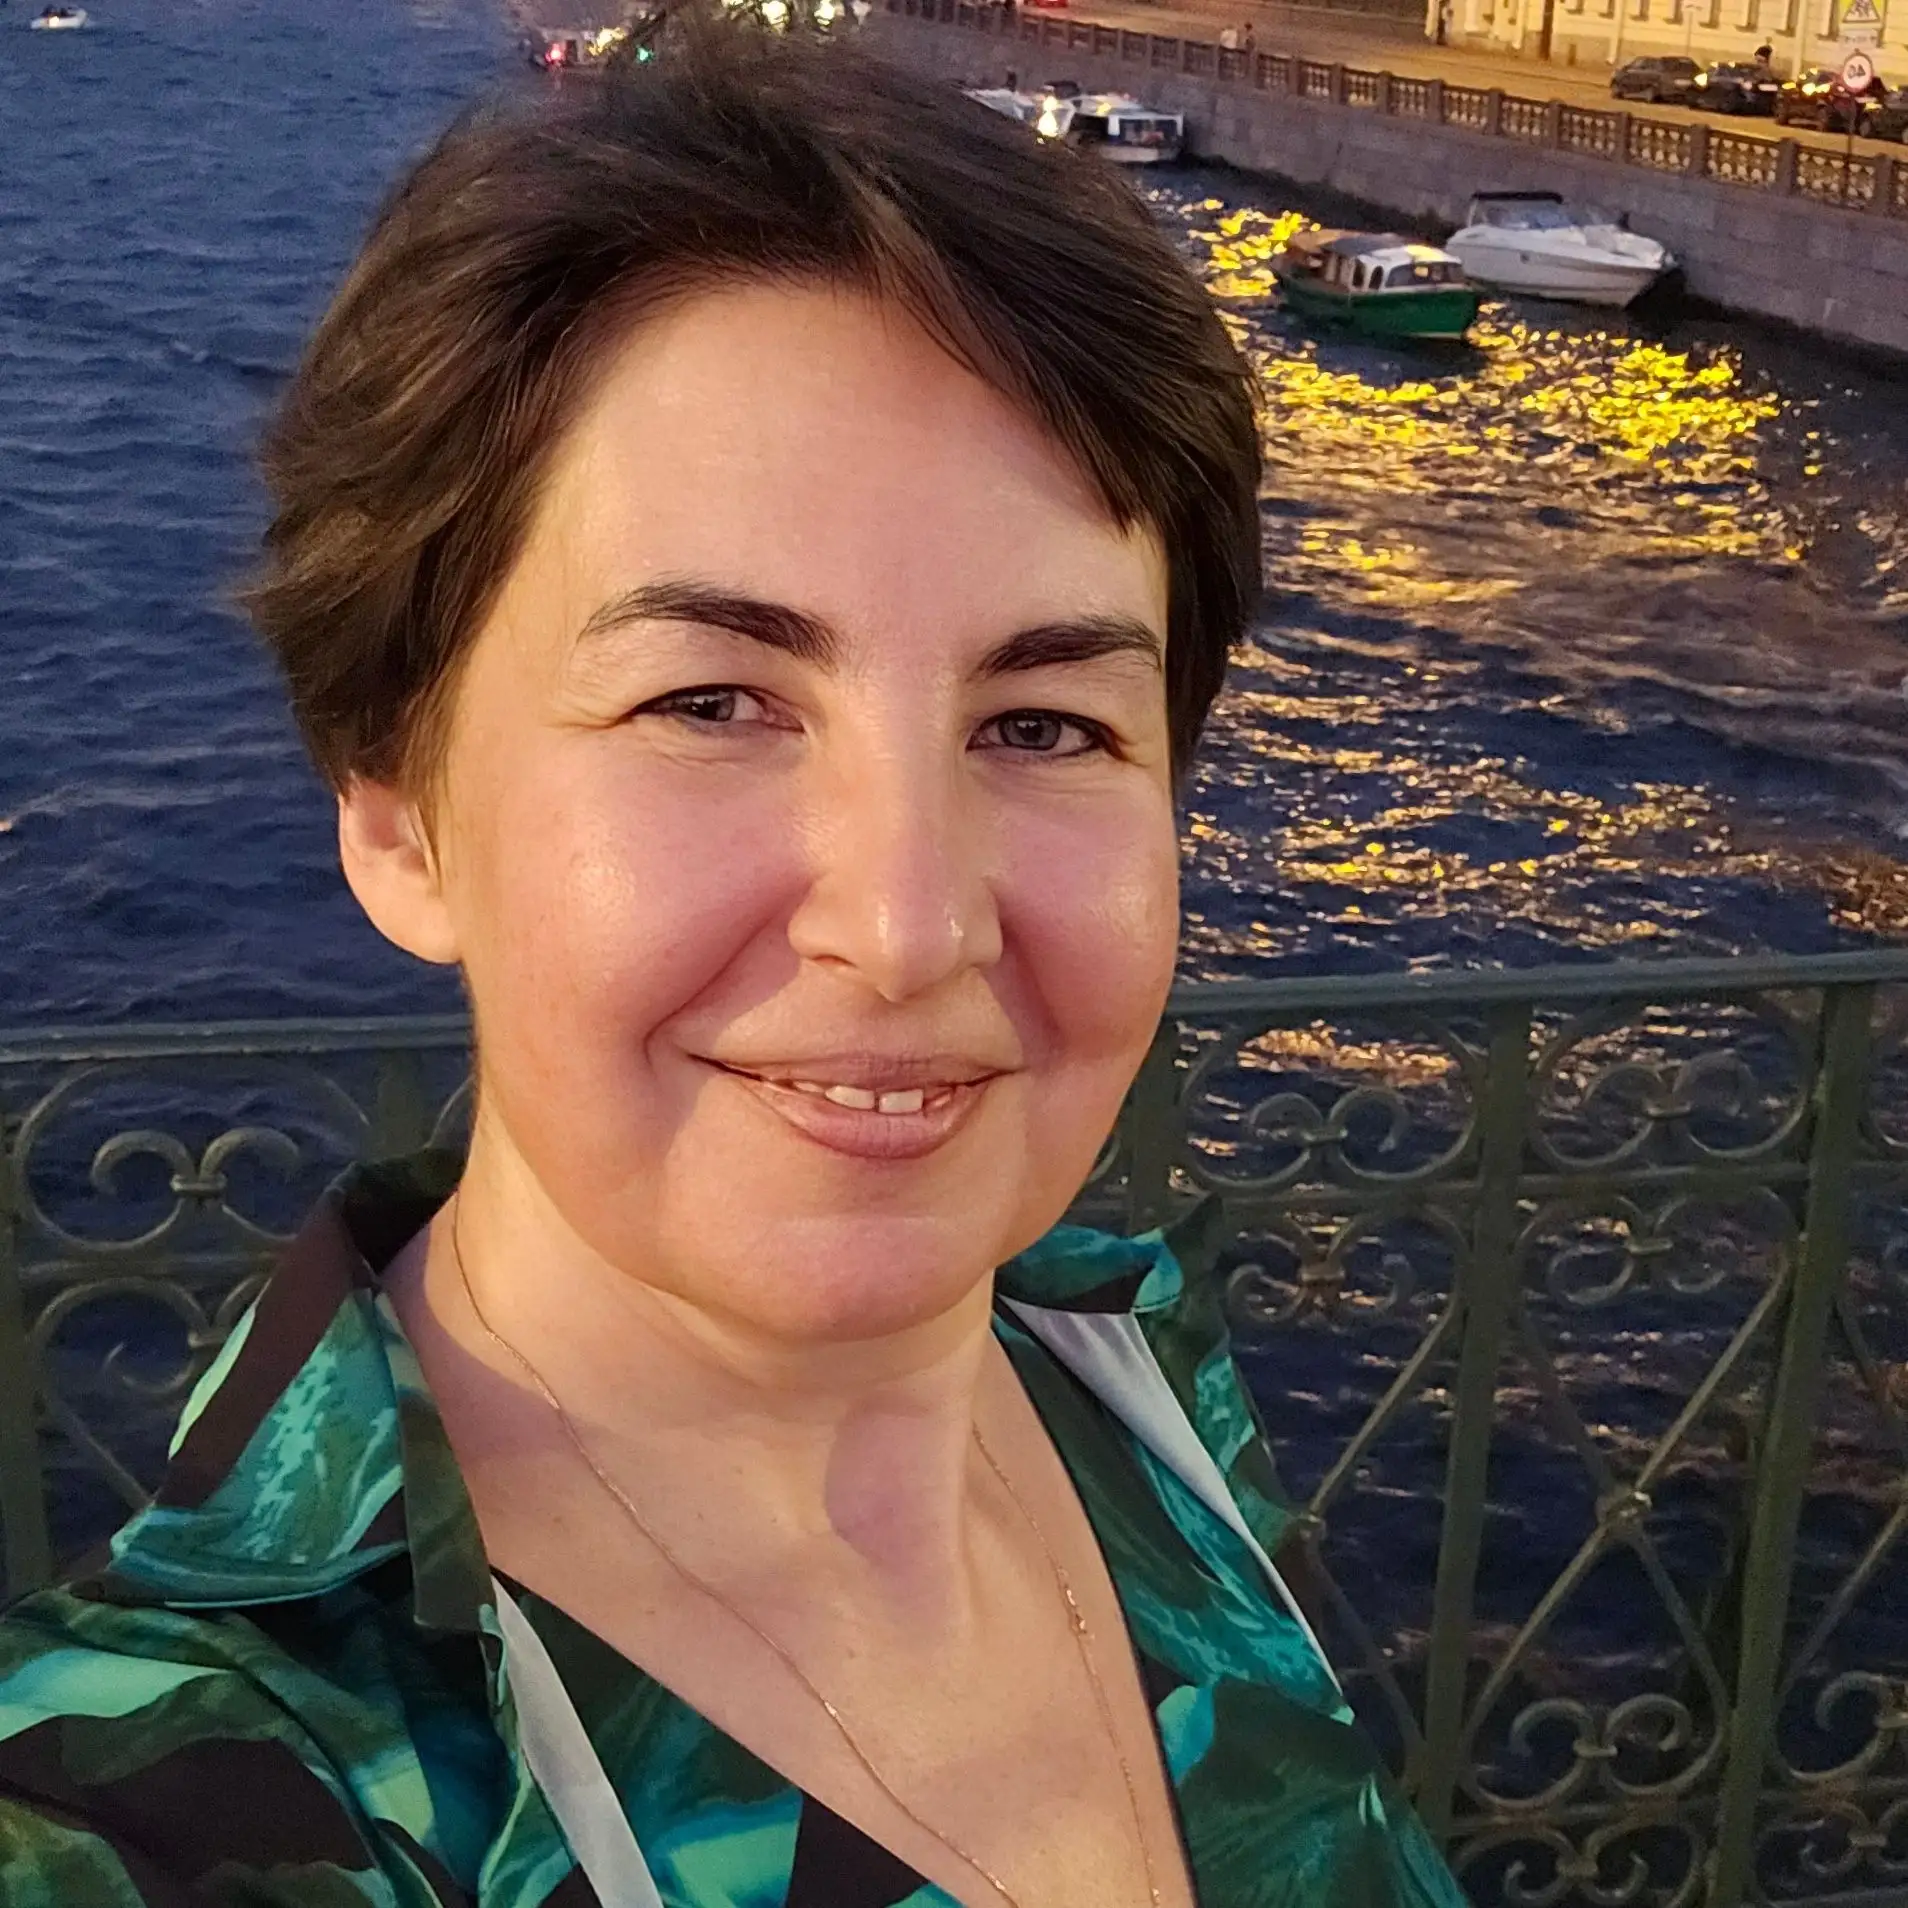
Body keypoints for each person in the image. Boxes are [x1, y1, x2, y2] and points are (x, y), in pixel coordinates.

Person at [0, 25, 1467, 1908]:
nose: (911, 925)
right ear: (401, 818)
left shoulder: (1128, 1379)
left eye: (1043, 725)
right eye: (710, 702)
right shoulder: (170, 1806)